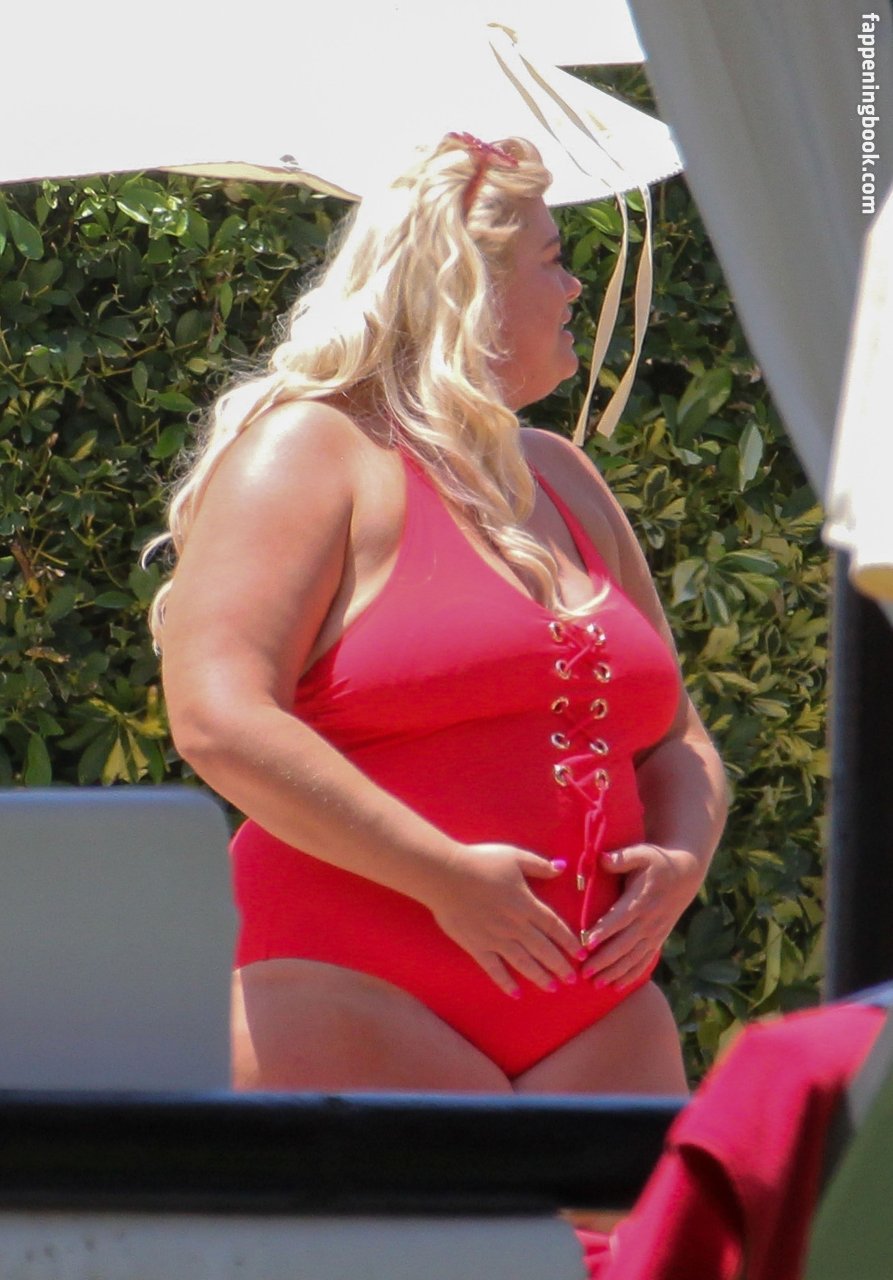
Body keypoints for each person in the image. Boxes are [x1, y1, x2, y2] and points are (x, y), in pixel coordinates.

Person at [149, 133, 728, 1095]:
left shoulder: (564, 477)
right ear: (470, 287)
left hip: (600, 1022)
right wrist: (441, 875)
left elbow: (675, 736)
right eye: (553, 260)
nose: (574, 289)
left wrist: (681, 858)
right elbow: (218, 719)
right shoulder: (310, 452)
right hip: (340, 999)